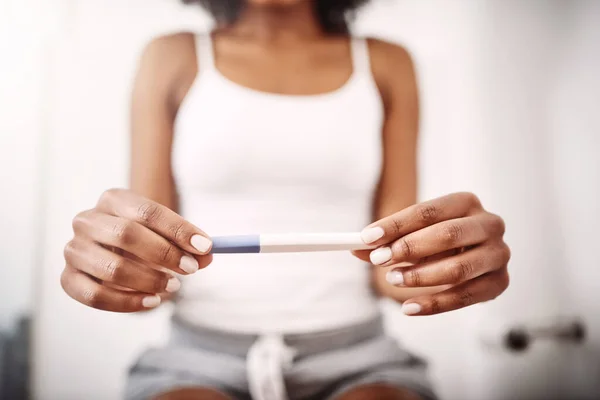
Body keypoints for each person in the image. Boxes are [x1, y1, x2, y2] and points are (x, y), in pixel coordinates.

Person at [60, 0, 511, 399]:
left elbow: (389, 266)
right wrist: (114, 262)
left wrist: (453, 265)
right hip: (197, 355)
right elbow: (151, 255)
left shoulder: (386, 62)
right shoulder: (171, 55)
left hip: (359, 354)